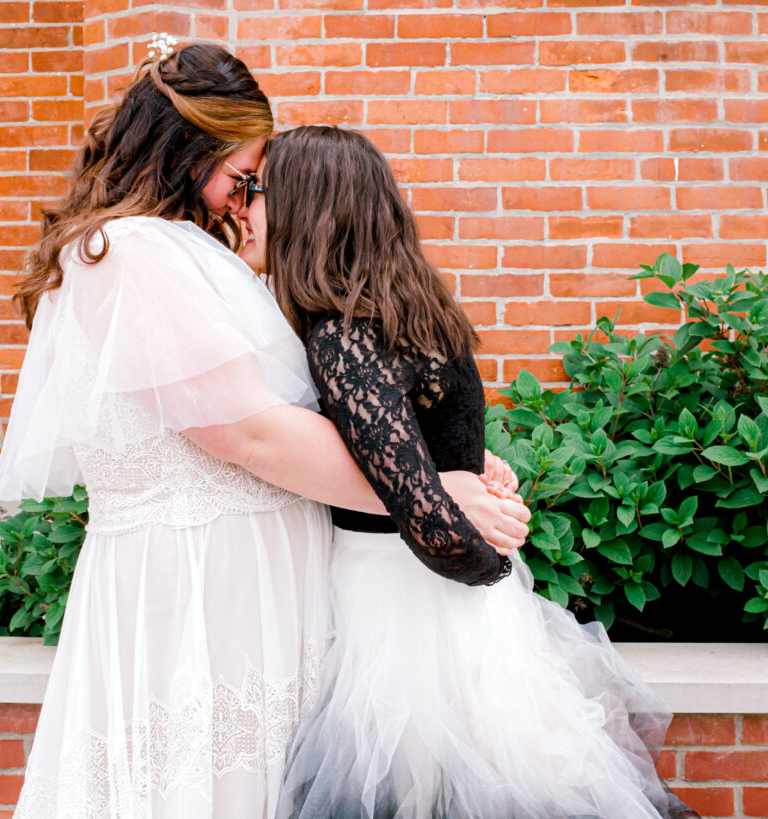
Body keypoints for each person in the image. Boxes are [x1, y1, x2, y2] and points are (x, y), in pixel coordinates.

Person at [0, 45, 528, 817]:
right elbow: (251, 434)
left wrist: (439, 454)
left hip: (246, 589)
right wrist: (426, 496)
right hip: (202, 590)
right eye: (240, 176)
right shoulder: (131, 253)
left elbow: (323, 410)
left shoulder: (183, 249)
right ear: (189, 151)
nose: (240, 200)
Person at [235, 126, 700, 819]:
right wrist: (494, 576)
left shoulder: (342, 333)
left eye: (257, 191)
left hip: (399, 619)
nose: (242, 208)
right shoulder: (416, 312)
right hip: (465, 620)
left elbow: (431, 522)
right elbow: (436, 441)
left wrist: (484, 551)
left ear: (308, 206)